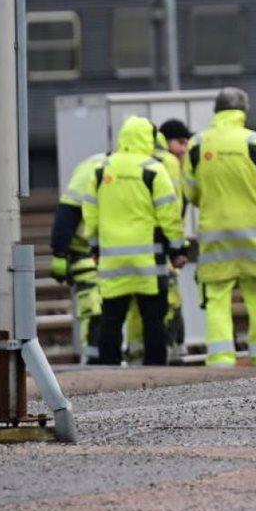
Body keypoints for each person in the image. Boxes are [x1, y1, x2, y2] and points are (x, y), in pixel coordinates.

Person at [184, 87, 256, 367]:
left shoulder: (197, 145)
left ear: (216, 111)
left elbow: (191, 193)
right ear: (244, 111)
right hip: (253, 239)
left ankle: (220, 359)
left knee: (216, 299)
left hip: (215, 241)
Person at [81, 116, 186, 366]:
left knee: (112, 318)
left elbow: (90, 213)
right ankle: (155, 369)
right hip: (147, 262)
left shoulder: (101, 170)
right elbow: (169, 215)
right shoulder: (152, 170)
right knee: (153, 319)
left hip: (112, 261)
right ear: (147, 139)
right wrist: (177, 249)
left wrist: (94, 246)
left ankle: (110, 371)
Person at [124, 119, 193, 363]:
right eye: (180, 142)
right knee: (167, 302)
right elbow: (173, 208)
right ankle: (171, 353)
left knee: (136, 306)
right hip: (161, 248)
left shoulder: (125, 162)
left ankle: (135, 354)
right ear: (165, 139)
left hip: (136, 248)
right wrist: (176, 247)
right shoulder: (167, 163)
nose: (184, 148)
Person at [50, 150, 106, 363]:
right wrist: (60, 251)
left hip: (97, 248)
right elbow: (68, 210)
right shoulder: (95, 169)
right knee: (93, 305)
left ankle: (97, 357)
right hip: (85, 249)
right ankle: (93, 360)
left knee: (99, 306)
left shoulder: (97, 165)